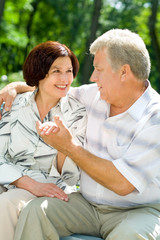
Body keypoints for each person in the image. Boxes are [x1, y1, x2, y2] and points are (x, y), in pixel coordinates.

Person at [1, 28, 160, 240]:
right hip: (86, 204)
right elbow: (51, 88)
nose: (93, 77)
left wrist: (69, 147)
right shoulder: (94, 94)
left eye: (98, 69)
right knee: (35, 211)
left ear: (124, 72)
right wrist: (14, 87)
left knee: (131, 236)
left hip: (136, 211)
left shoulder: (154, 118)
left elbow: (123, 184)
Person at [0, 41, 87, 240]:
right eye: (56, 70)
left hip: (53, 188)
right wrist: (28, 183)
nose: (65, 79)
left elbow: (71, 178)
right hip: (11, 180)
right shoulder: (13, 105)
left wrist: (64, 146)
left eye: (69, 71)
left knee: (6, 204)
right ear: (39, 72)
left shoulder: (77, 113)